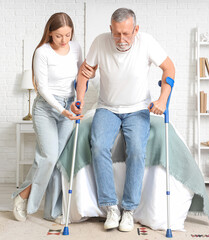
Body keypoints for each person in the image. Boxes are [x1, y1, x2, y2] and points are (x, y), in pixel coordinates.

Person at [71, 8, 175, 232]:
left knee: (136, 150)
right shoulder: (100, 42)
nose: (121, 39)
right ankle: (111, 207)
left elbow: (169, 67)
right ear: (111, 29)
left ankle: (128, 210)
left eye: (127, 34)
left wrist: (163, 99)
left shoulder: (146, 42)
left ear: (135, 29)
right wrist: (79, 100)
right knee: (98, 146)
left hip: (138, 108)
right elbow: (84, 72)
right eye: (117, 33)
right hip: (107, 108)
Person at [12, 12, 95, 222]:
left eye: (68, 35)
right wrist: (62, 110)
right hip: (46, 108)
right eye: (59, 36)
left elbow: (80, 77)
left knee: (57, 160)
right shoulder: (42, 52)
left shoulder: (75, 47)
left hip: (69, 107)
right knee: (47, 156)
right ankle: (22, 196)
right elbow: (42, 88)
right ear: (49, 33)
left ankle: (52, 211)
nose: (64, 40)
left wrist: (79, 98)